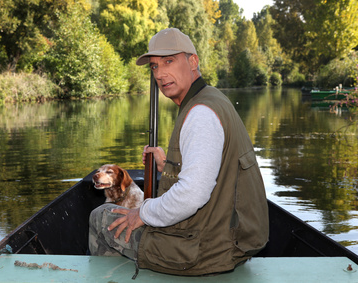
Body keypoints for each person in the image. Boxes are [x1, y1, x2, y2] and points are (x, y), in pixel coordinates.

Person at [89, 28, 269, 276]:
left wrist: (143, 213)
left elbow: (193, 195)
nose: (160, 74)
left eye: (169, 61)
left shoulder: (200, 114)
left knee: (101, 217)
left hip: (203, 250)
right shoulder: (213, 99)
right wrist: (170, 166)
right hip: (226, 237)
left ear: (193, 61)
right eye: (154, 66)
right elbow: (212, 171)